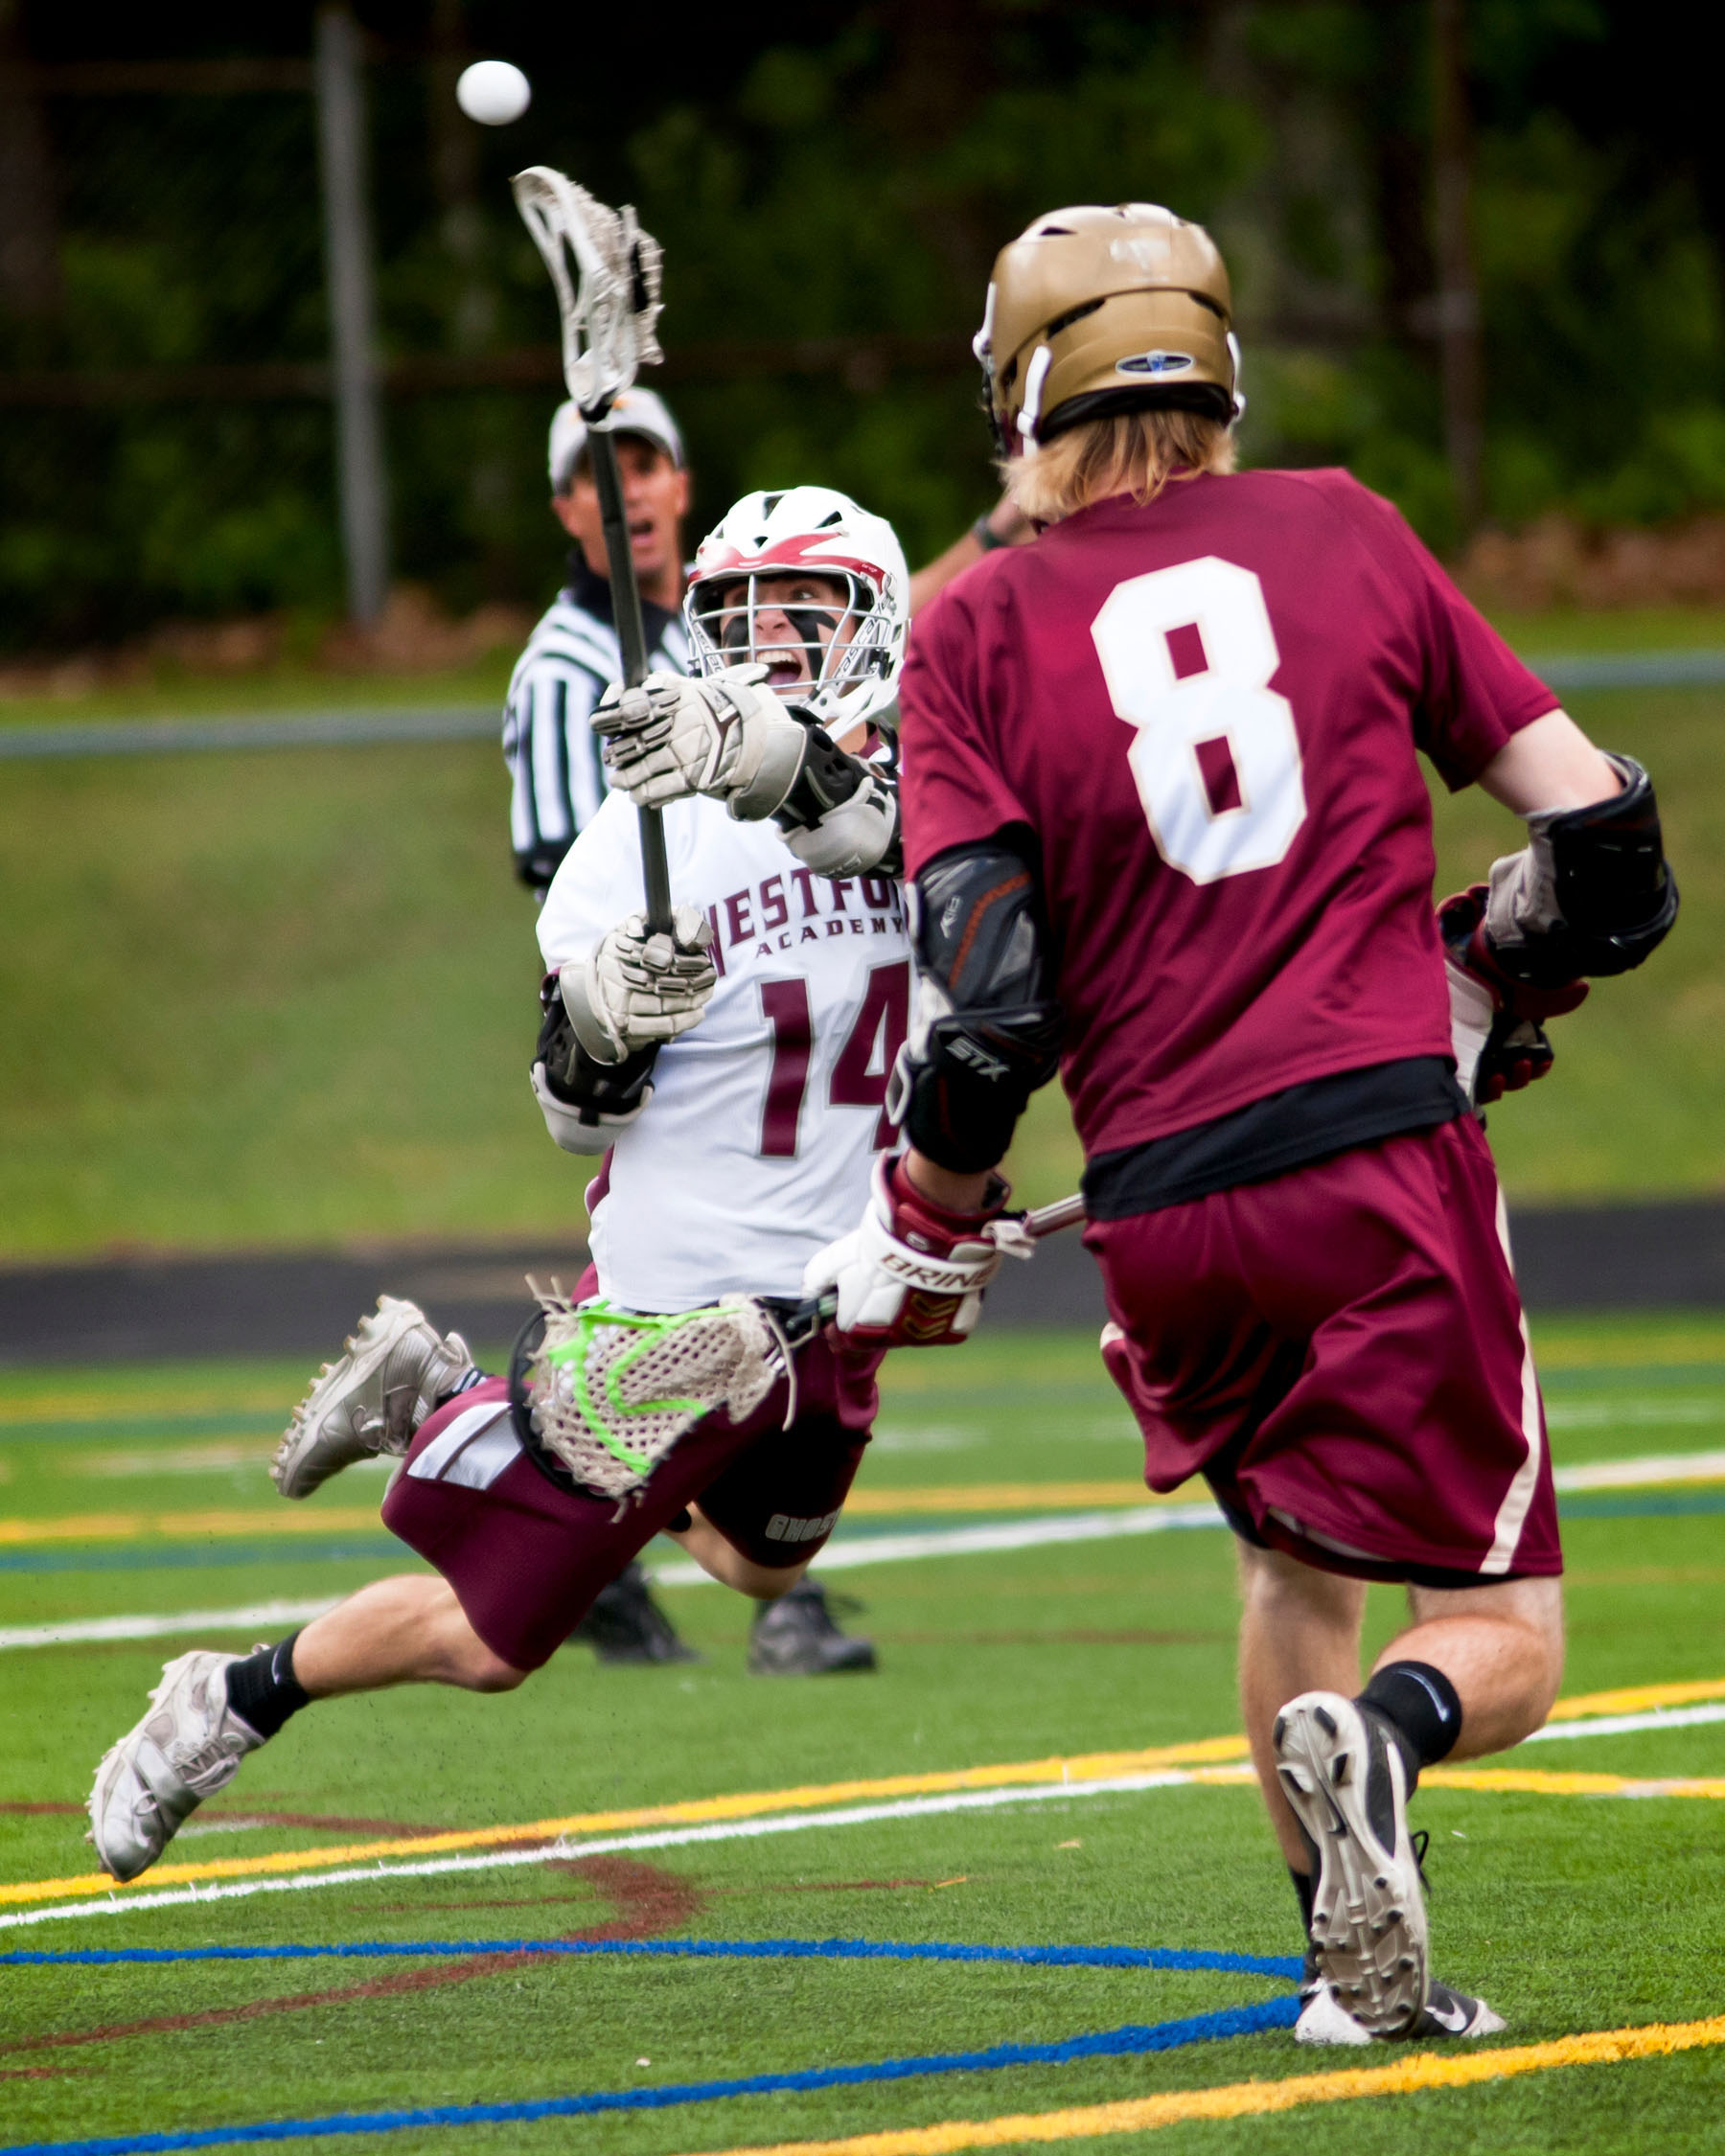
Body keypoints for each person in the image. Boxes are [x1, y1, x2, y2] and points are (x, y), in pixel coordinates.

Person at [804, 204, 1677, 2045]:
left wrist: (927, 1214)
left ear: (1023, 396)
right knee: (1502, 1625)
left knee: (1291, 1562)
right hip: (1379, 1157)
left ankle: (1347, 1969)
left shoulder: (965, 635)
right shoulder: (1345, 529)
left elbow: (994, 1013)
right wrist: (1482, 968)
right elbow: (1608, 855)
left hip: (1170, 1214)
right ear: (1215, 372)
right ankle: (1394, 1740)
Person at [86, 488, 912, 1886]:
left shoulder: (937, 801)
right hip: (675, 1306)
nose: (771, 644)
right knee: (491, 1642)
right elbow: (572, 1114)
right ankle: (224, 1701)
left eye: (805, 613)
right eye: (740, 618)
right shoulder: (651, 838)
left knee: (762, 1569)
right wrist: (600, 1026)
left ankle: (448, 1396)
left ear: (876, 625)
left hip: (833, 1302)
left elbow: (925, 880)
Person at [501, 394, 872, 1671]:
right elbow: (566, 879)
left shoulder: (730, 638)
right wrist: (616, 988)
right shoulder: (568, 670)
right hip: (679, 1017)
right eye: (609, 473)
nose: (632, 489)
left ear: (678, 478)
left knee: (764, 1518)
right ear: (573, 506)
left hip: (785, 1057)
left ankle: (708, 1548)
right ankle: (548, 1463)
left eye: (649, 461)